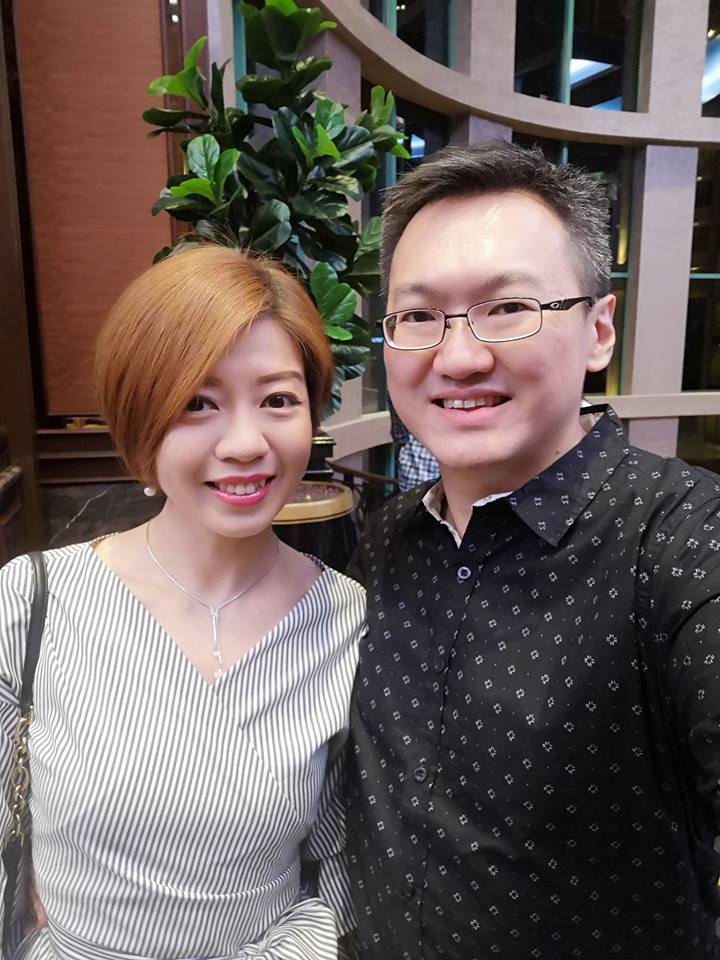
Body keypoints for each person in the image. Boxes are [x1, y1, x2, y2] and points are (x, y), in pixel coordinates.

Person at [346, 140, 720, 959]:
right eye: (418, 317)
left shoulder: (679, 541)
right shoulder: (385, 540)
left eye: (508, 307)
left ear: (598, 330)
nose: (457, 357)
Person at [0, 245, 365, 959]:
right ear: (142, 418)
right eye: (199, 402)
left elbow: (342, 864)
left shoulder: (344, 620)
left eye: (278, 400)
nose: (245, 443)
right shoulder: (32, 604)